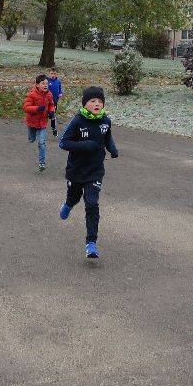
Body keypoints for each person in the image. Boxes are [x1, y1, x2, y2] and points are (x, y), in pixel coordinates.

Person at [57, 86, 118, 259]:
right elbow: (63, 143)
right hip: (76, 170)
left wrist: (112, 148)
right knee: (75, 197)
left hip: (95, 171)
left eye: (100, 101)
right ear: (85, 104)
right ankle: (68, 204)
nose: (97, 104)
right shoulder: (78, 121)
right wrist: (86, 145)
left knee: (92, 203)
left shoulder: (105, 121)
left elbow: (107, 136)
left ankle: (91, 243)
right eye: (93, 101)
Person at [23, 74, 56, 173]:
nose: (45, 85)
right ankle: (31, 137)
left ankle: (42, 163)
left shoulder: (49, 94)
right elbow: (26, 107)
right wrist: (37, 108)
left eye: (47, 83)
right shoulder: (32, 94)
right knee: (31, 139)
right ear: (37, 85)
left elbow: (52, 105)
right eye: (43, 83)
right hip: (32, 123)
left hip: (43, 123)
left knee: (42, 143)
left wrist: (51, 111)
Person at [46, 66, 63, 137]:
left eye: (54, 74)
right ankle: (40, 128)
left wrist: (60, 93)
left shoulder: (58, 82)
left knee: (52, 116)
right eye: (51, 73)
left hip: (54, 102)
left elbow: (60, 88)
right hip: (46, 102)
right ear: (49, 74)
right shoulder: (46, 81)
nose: (53, 75)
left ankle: (54, 129)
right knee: (44, 115)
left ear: (57, 74)